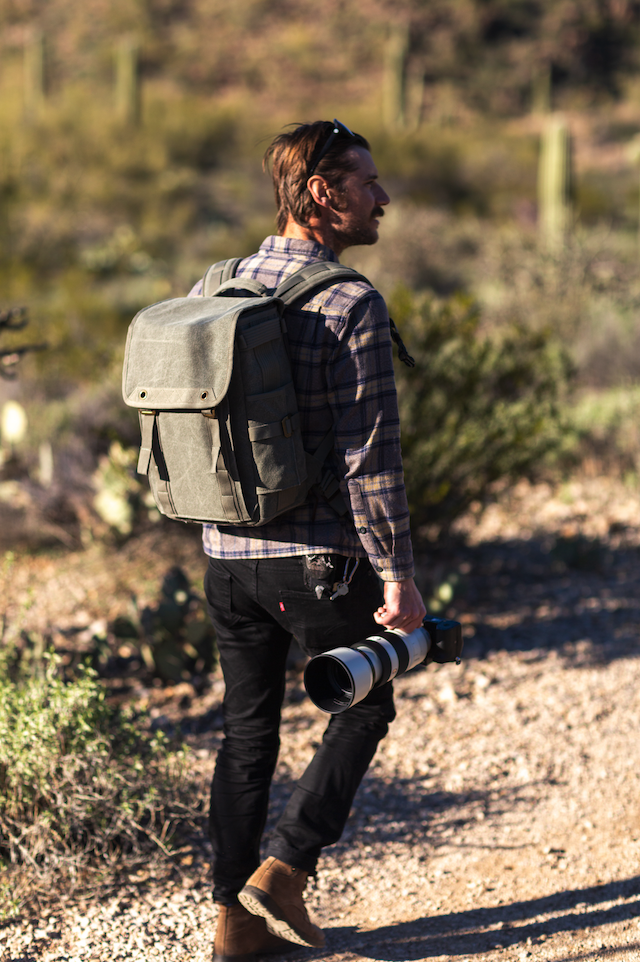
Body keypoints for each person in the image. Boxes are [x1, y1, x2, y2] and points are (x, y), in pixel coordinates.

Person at [191, 119, 427, 962]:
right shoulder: (351, 302)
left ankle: (235, 926)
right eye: (368, 183)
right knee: (366, 702)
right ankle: (285, 870)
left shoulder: (215, 284)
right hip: (318, 560)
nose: (383, 198)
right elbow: (371, 459)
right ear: (323, 193)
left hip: (225, 556)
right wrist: (398, 574)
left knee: (245, 734)